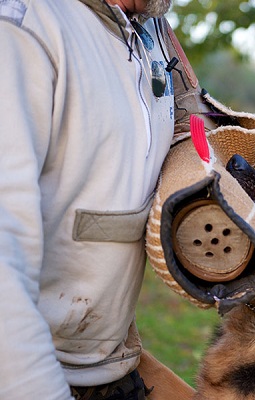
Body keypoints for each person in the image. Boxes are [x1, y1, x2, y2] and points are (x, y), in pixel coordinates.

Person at [0, 0, 202, 398]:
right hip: (34, 371)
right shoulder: (23, 26)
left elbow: (189, 122)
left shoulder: (152, 29)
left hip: (111, 364)